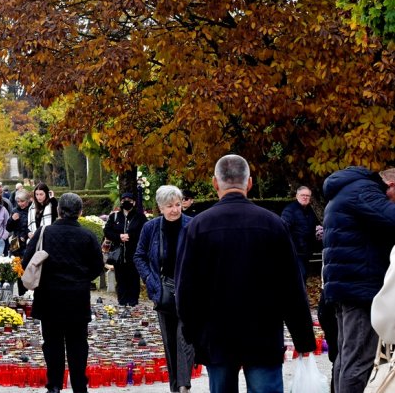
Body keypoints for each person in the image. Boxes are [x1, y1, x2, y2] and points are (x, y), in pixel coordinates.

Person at [176, 155, 315, 393]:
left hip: (217, 333)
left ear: (215, 183)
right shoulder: (272, 224)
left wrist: (192, 334)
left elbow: (186, 289)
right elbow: (291, 287)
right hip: (263, 332)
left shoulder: (198, 226)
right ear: (249, 183)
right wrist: (303, 337)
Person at [322, 166, 395, 393]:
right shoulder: (364, 191)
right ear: (391, 185)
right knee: (359, 361)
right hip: (360, 289)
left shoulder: (348, 190)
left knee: (346, 357)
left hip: (344, 286)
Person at [23, 192, 104, 393]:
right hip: (77, 297)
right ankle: (78, 385)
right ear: (80, 212)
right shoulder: (88, 235)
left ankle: (55, 385)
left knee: (52, 343)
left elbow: (27, 261)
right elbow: (97, 267)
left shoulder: (44, 232)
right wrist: (83, 278)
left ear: (59, 211)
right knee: (78, 344)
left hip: (48, 297)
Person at [134, 185, 194, 393]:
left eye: (178, 205)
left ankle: (184, 384)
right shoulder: (151, 228)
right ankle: (176, 387)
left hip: (188, 291)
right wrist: (150, 279)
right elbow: (139, 256)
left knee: (185, 338)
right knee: (170, 342)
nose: (175, 210)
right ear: (160, 207)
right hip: (163, 291)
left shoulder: (192, 225)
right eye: (169, 206)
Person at [104, 192, 145, 306]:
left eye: (129, 200)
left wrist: (130, 236)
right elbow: (107, 231)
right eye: (124, 200)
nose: (126, 202)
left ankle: (133, 302)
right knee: (120, 278)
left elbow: (144, 232)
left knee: (133, 278)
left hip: (134, 253)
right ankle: (122, 301)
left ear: (134, 202)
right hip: (118, 254)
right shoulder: (114, 216)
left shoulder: (140, 217)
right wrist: (119, 236)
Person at [281, 185, 320, 279]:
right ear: (297, 196)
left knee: (304, 275)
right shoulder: (290, 210)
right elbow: (283, 228)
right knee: (300, 275)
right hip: (294, 251)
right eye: (302, 195)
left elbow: (313, 227)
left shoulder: (310, 211)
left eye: (307, 196)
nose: (305, 197)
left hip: (306, 251)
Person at [7, 189, 31, 295]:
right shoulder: (15, 210)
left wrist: (24, 235)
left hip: (26, 242)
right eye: (18, 201)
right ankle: (20, 293)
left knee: (26, 268)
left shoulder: (31, 210)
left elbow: (31, 226)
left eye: (22, 201)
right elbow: (8, 228)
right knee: (16, 269)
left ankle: (26, 292)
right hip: (15, 242)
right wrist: (12, 219)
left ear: (27, 200)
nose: (20, 204)